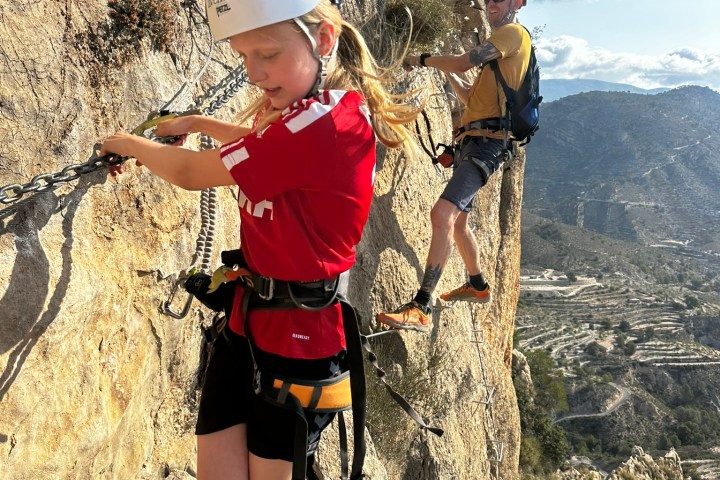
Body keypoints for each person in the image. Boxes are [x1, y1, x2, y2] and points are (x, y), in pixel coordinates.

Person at [99, 1, 419, 478]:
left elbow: (191, 172)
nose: (253, 73)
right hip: (254, 322)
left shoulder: (319, 125)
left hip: (299, 341)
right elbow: (266, 148)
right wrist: (198, 124)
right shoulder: (320, 110)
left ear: (324, 41)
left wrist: (125, 144)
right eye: (243, 55)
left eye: (267, 54)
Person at [376, 0, 530, 333]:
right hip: (476, 143)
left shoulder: (513, 34)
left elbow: (463, 62)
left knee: (441, 214)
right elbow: (469, 96)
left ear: (517, 3)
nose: (491, 5)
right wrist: (442, 70)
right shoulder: (500, 59)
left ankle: (421, 306)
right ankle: (477, 285)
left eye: (500, 0)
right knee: (459, 224)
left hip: (487, 146)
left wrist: (420, 60)